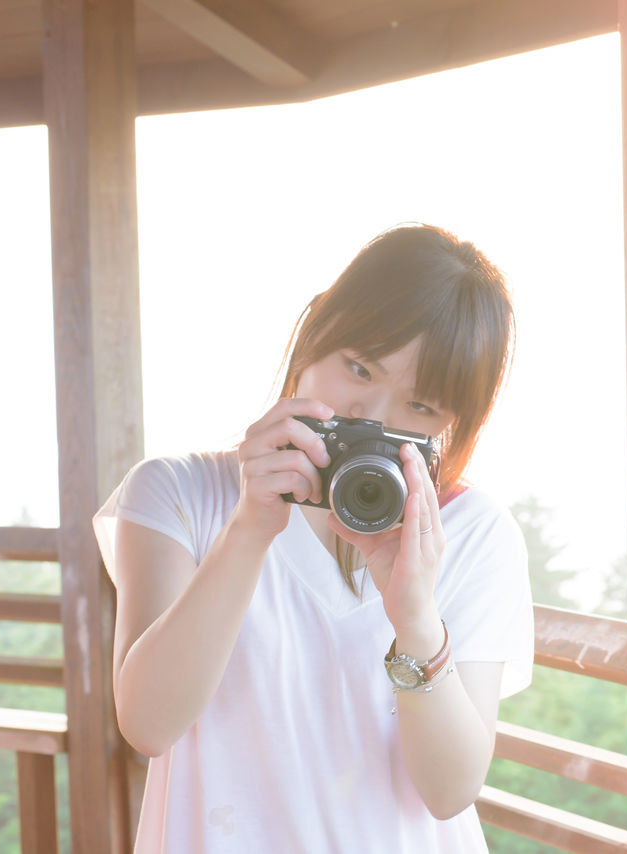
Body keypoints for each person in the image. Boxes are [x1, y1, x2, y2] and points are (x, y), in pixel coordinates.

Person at [93, 223, 534, 853]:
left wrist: (414, 617)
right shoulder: (179, 494)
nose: (372, 416)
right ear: (311, 341)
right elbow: (148, 725)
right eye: (358, 368)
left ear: (453, 424)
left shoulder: (471, 532)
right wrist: (250, 529)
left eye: (422, 407)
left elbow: (449, 791)